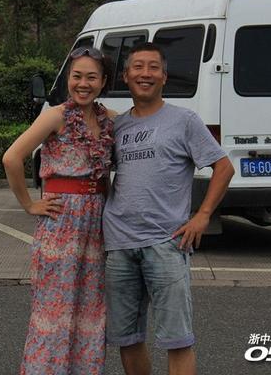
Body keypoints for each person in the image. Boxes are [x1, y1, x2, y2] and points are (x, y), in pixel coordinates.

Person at [103, 42, 235, 375]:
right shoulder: (118, 127)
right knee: (127, 338)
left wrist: (202, 215)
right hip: (119, 244)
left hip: (166, 243)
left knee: (177, 340)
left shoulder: (184, 120)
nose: (145, 74)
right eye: (137, 67)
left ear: (164, 76)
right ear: (125, 75)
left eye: (153, 67)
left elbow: (223, 167)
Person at [3, 47, 114, 374]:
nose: (83, 84)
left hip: (94, 226)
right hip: (61, 223)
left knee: (88, 309)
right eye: (77, 76)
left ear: (103, 81)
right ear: (68, 79)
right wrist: (29, 204)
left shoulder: (109, 119)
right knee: (55, 310)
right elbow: (11, 158)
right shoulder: (55, 116)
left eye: (91, 77)